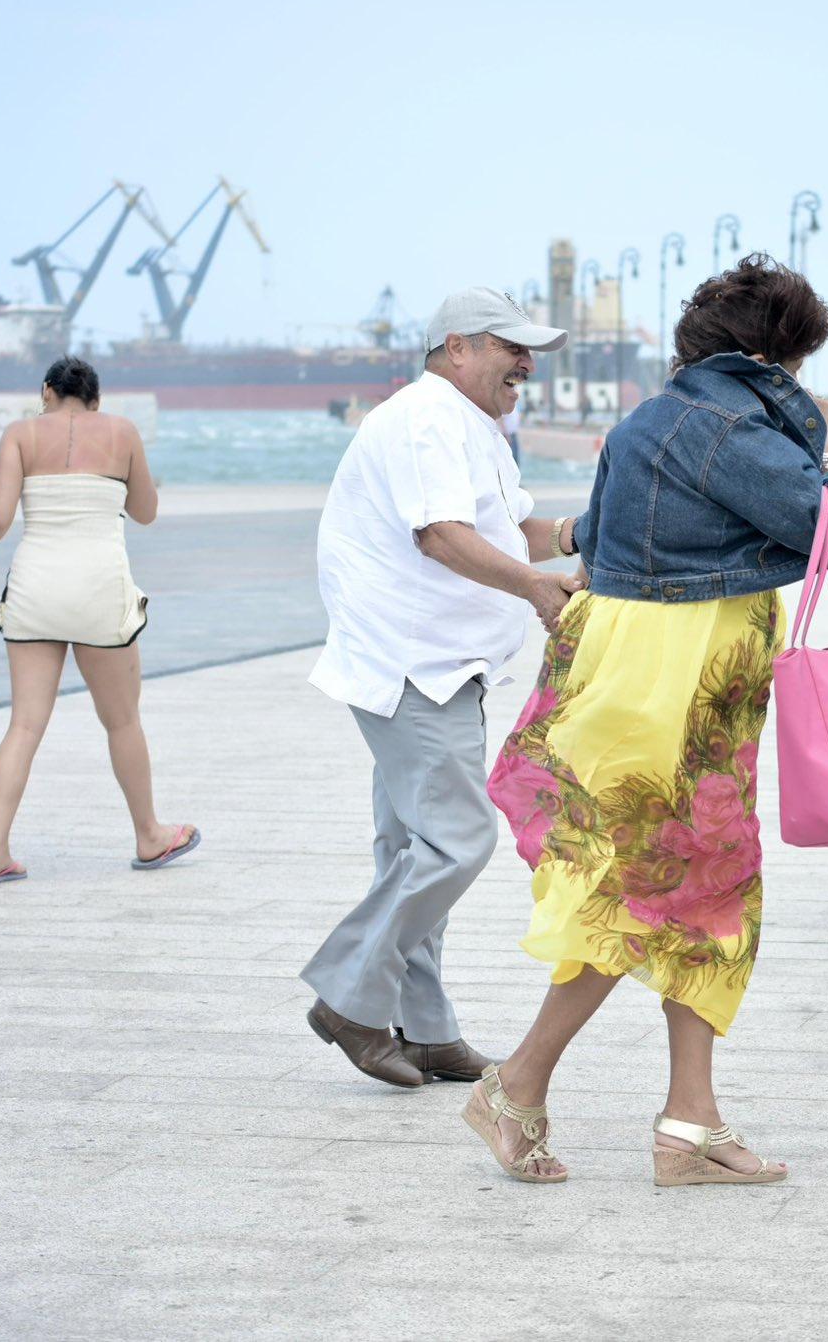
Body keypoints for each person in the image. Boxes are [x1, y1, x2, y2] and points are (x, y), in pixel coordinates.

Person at [475, 256, 828, 1187]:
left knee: (705, 892)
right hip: (680, 673)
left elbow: (605, 540)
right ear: (776, 350)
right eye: (799, 358)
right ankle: (520, 1085)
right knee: (654, 887)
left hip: (649, 662)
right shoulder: (730, 421)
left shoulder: (648, 419)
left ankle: (689, 1122)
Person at [302, 288, 579, 1089]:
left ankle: (424, 1028)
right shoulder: (426, 417)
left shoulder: (472, 427)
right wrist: (535, 589)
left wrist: (582, 535)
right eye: (510, 347)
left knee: (411, 849)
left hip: (434, 663)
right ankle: (348, 997)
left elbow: (509, 527)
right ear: (455, 348)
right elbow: (441, 536)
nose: (526, 363)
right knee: (460, 839)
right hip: (413, 662)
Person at [0, 355, 195, 886]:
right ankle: (150, 835)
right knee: (123, 720)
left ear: (46, 392)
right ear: (96, 400)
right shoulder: (123, 431)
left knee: (24, 724)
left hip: (35, 589)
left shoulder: (19, 434)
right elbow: (147, 512)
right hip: (100, 590)